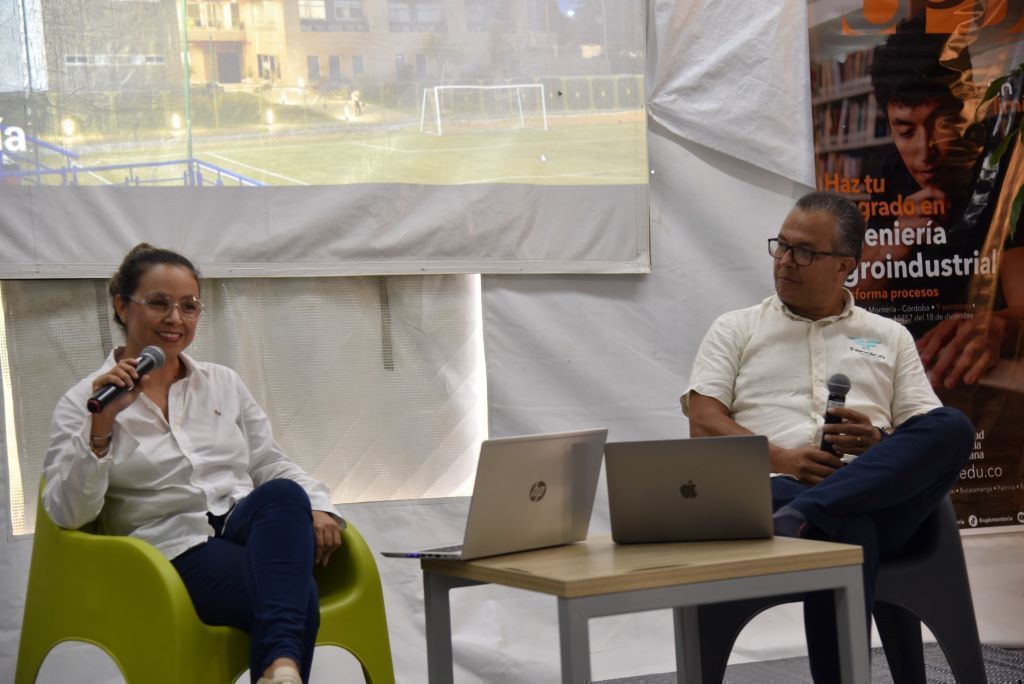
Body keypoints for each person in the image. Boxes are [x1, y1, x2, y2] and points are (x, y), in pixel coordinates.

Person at [682, 191, 974, 682]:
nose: (784, 261)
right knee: (849, 531)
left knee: (953, 426)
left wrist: (879, 443)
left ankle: (811, 512)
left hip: (872, 499)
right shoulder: (736, 328)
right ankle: (812, 512)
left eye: (803, 252)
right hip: (769, 496)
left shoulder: (889, 336)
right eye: (781, 246)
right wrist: (785, 459)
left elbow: (923, 431)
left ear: (845, 267)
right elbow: (703, 422)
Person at [42, 244, 343, 684]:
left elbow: (269, 462)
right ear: (122, 306)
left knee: (284, 494)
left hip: (241, 525)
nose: (175, 319)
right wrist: (101, 425)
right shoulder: (84, 401)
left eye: (189, 306)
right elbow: (68, 513)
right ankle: (282, 668)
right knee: (299, 596)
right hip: (170, 547)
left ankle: (279, 670)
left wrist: (318, 506)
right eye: (159, 303)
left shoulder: (222, 382)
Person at [858, 15, 1024, 388]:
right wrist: (896, 239)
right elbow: (852, 300)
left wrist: (999, 326)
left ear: (966, 111)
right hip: (902, 370)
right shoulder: (891, 171)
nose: (924, 152)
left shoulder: (1004, 166)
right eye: (905, 131)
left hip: (982, 379)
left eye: (942, 124)